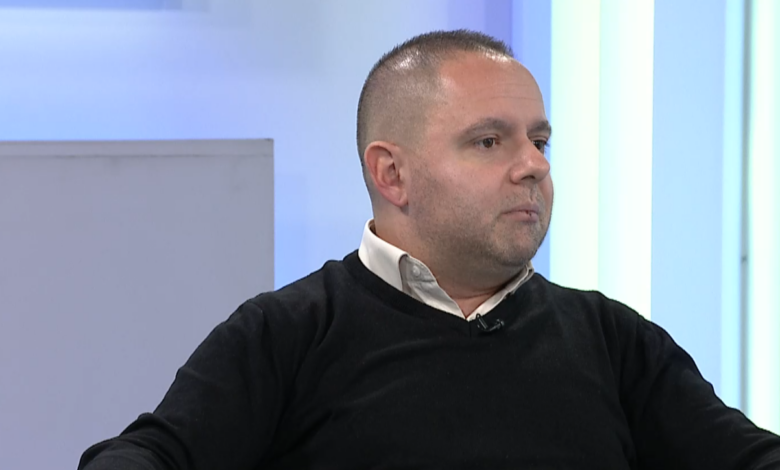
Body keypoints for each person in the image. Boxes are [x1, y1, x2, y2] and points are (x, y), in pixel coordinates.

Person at [79, 30, 780, 470]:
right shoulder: (285, 334)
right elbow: (151, 456)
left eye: (540, 140)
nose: (533, 165)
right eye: (489, 141)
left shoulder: (613, 339)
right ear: (392, 174)